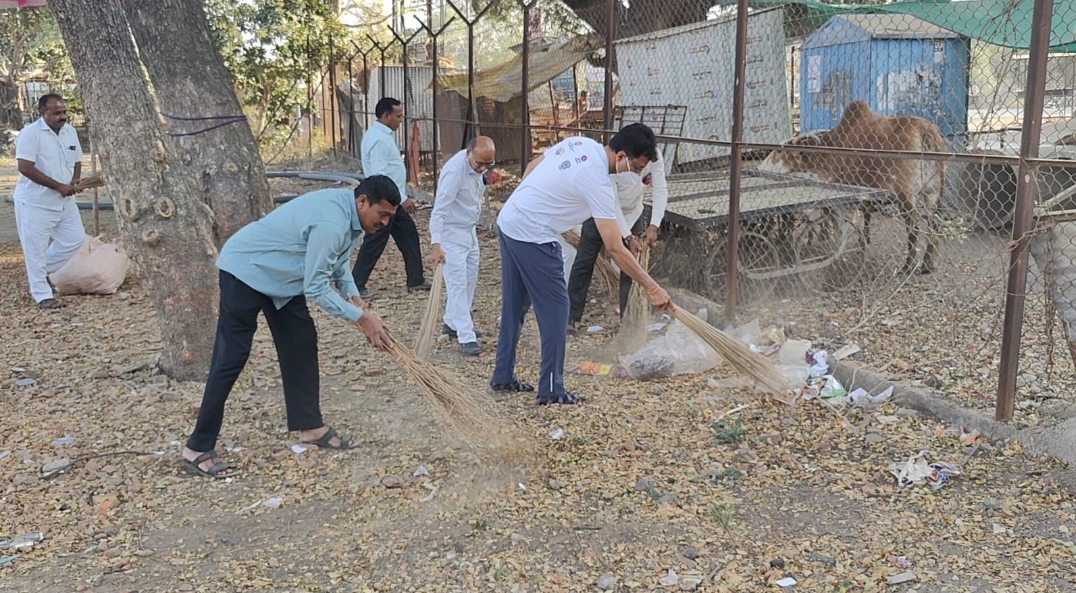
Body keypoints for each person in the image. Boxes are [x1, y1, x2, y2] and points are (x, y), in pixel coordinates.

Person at [182, 176, 399, 478]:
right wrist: (361, 319)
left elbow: (336, 263)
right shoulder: (332, 222)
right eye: (383, 215)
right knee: (231, 357)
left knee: (301, 342)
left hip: (283, 277)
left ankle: (309, 426)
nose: (385, 223)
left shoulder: (351, 216)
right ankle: (197, 447)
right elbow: (316, 288)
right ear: (363, 202)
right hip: (246, 269)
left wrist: (354, 297)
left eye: (390, 217)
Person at [491, 124, 672, 405]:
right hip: (532, 235)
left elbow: (532, 164)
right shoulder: (598, 182)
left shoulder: (581, 144)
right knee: (557, 311)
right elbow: (614, 248)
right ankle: (551, 388)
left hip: (510, 220)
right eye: (636, 168)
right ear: (621, 155)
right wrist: (651, 286)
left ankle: (502, 375)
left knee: (515, 305)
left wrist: (529, 202)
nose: (636, 175)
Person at [567, 150, 669, 334]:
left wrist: (654, 225)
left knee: (630, 267)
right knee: (584, 261)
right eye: (638, 167)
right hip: (601, 211)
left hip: (634, 212)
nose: (639, 173)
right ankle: (570, 318)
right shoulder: (614, 163)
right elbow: (612, 204)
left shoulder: (655, 157)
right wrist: (627, 237)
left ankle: (628, 320)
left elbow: (661, 189)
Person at [352, 97, 429, 299]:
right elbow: (380, 175)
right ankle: (354, 285)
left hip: (391, 200)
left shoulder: (382, 135)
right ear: (385, 116)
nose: (400, 120)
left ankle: (416, 280)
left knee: (409, 235)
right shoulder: (378, 139)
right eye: (398, 116)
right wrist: (402, 199)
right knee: (375, 241)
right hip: (384, 201)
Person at [13, 94, 85, 309]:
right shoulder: (30, 134)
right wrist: (58, 186)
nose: (62, 116)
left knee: (74, 239)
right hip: (35, 203)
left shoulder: (70, 131)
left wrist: (75, 180)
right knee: (34, 249)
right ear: (42, 113)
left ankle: (41, 272)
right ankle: (42, 295)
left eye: (64, 112)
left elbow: (77, 159)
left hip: (65, 201)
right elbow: (25, 167)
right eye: (56, 113)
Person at [429, 136, 496, 356]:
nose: (483, 168)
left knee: (469, 279)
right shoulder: (454, 174)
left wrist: (486, 177)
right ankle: (465, 336)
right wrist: (436, 244)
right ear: (469, 153)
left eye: (488, 164)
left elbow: (476, 190)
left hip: (469, 231)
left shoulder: (477, 169)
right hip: (451, 233)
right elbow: (438, 211)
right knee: (457, 283)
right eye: (480, 164)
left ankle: (452, 322)